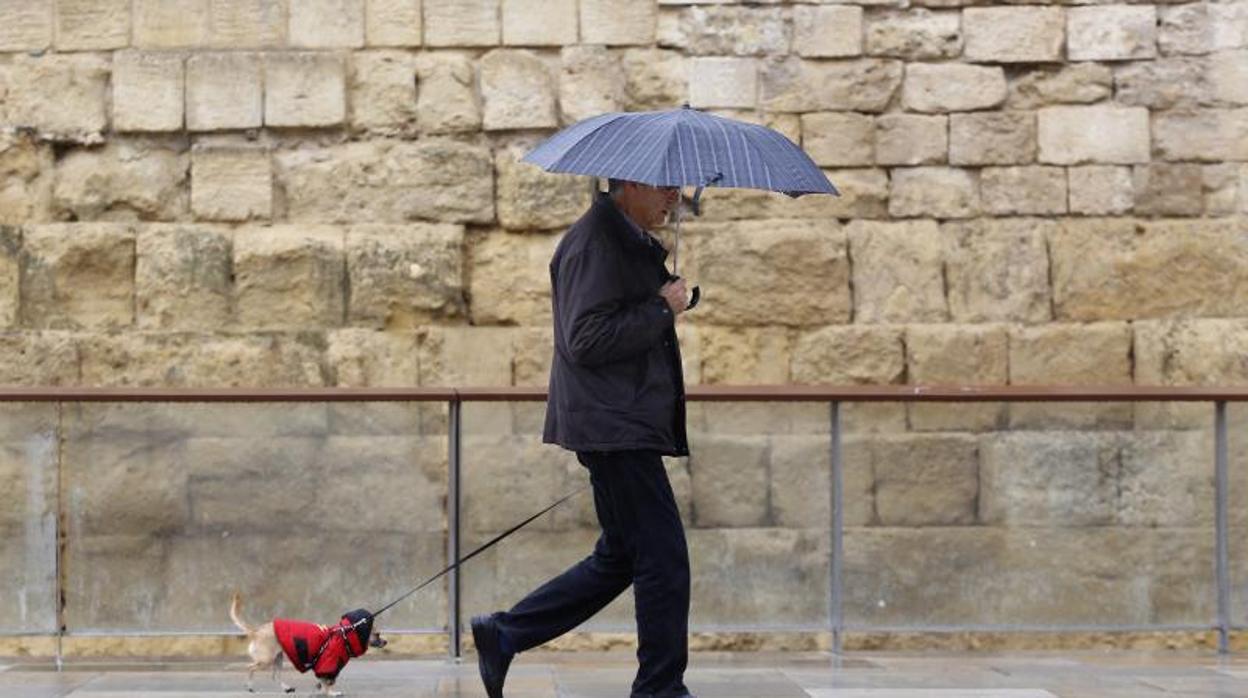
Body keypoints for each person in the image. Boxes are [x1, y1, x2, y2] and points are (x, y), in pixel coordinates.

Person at [471, 178, 694, 698]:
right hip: (615, 426)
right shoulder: (596, 242)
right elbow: (585, 338)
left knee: (621, 556)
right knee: (664, 560)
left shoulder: (619, 238)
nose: (674, 198)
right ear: (630, 183)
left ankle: (504, 633)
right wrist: (662, 309)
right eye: (665, 188)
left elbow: (608, 323)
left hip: (617, 421)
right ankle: (660, 689)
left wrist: (661, 301)